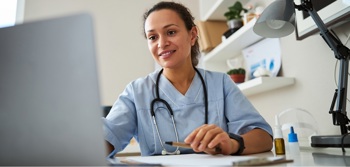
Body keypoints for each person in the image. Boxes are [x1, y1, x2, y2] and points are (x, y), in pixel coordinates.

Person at [103, 1, 273, 156]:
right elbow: (107, 138)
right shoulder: (136, 92)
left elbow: (264, 137)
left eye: (171, 32)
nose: (161, 43)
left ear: (192, 35)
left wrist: (232, 143)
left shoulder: (220, 83)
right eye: (152, 37)